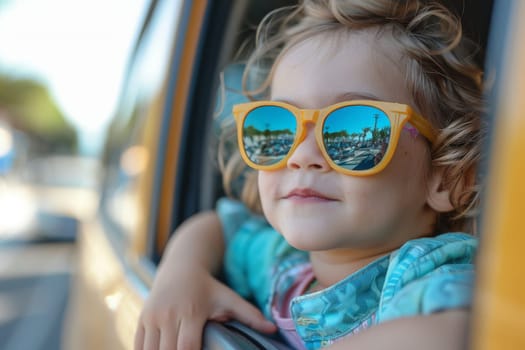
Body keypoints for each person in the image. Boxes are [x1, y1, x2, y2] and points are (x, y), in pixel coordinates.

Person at [135, 0, 485, 349]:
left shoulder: (427, 274)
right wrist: (181, 274)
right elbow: (221, 228)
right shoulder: (282, 264)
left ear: (446, 178)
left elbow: (460, 330)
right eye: (278, 129)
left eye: (353, 128)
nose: (302, 156)